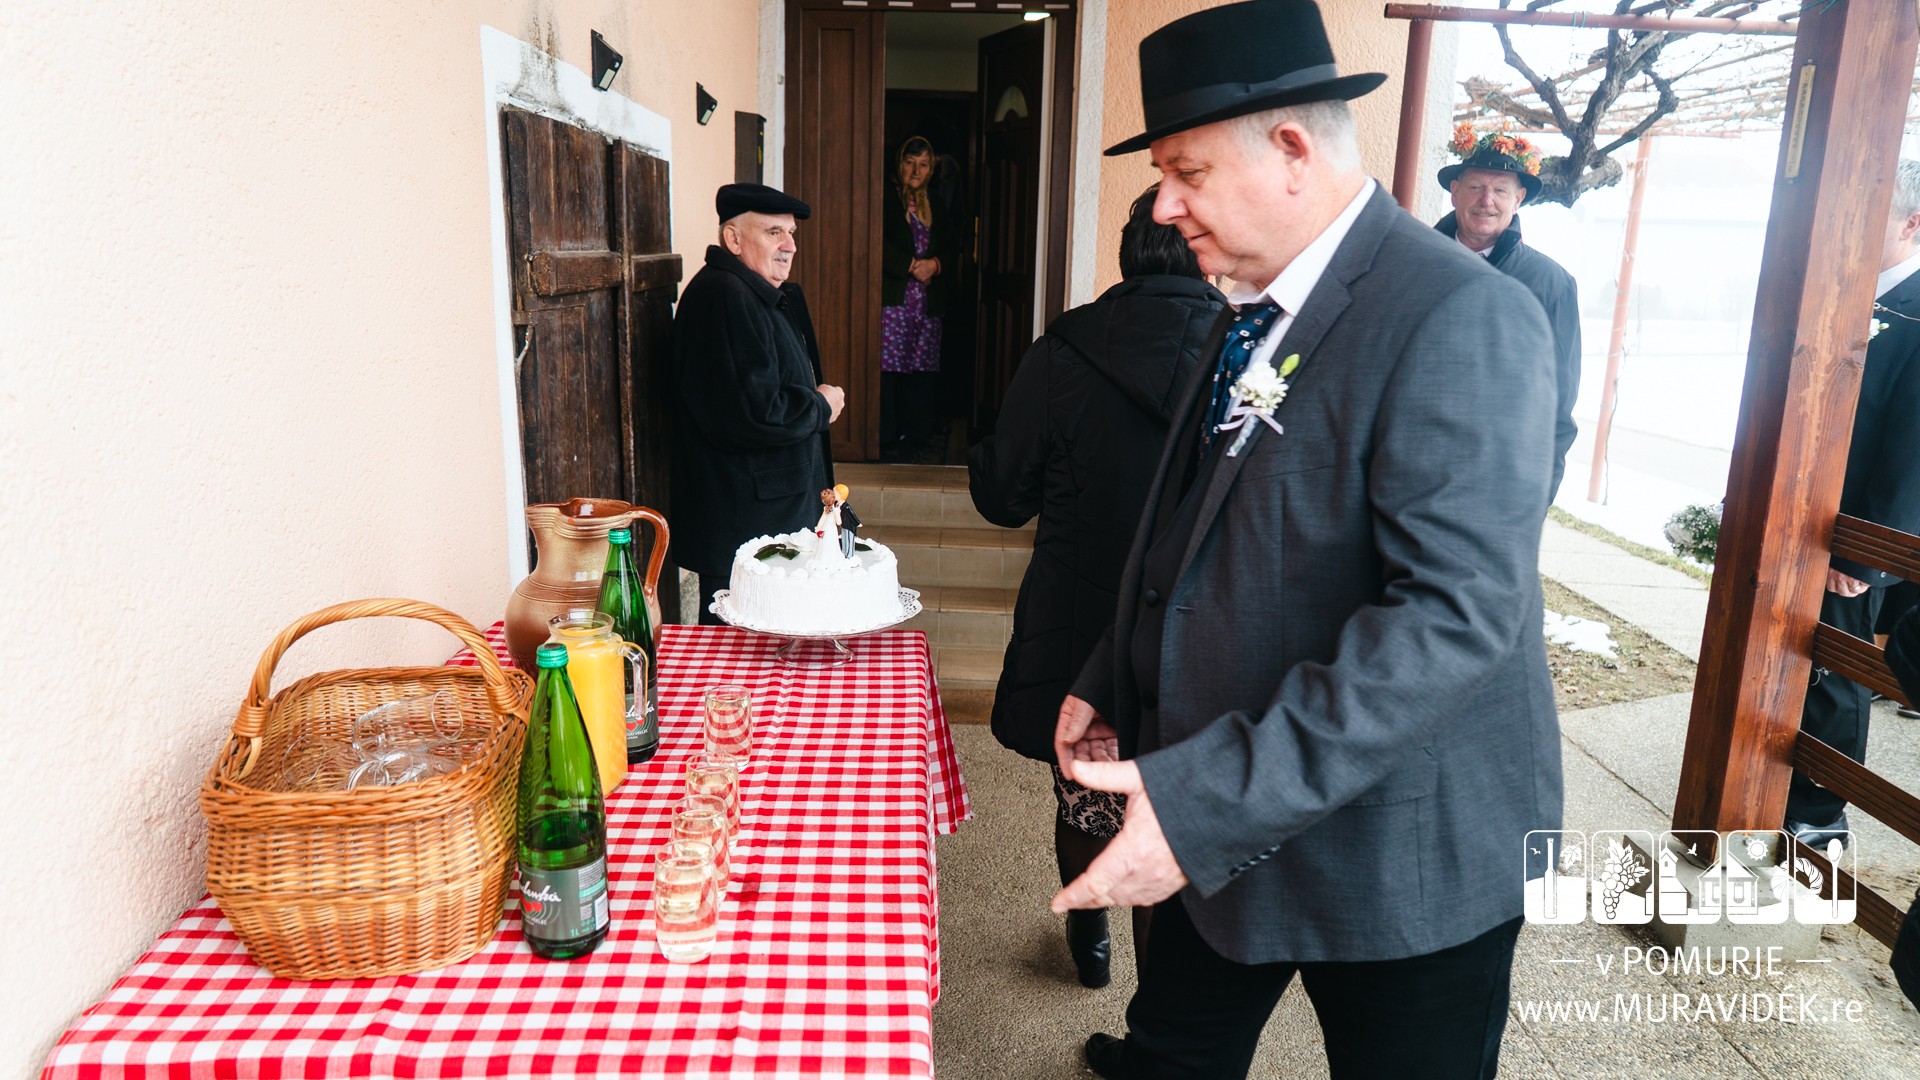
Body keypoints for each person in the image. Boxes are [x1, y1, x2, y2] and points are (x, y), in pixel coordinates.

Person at [1050, 3, 1560, 1077]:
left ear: (1290, 148)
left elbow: (1452, 618)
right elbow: (1198, 524)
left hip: (1400, 851)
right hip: (1226, 803)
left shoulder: (1460, 313)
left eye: (1185, 171)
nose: (1164, 203)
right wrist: (1112, 673)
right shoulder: (1249, 301)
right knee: (1170, 1053)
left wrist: (1203, 804)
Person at [968, 185, 1226, 990]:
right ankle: (1156, 1007)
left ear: (1127, 253)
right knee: (1167, 814)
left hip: (1081, 621)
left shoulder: (1064, 351)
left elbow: (1003, 496)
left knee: (1085, 796)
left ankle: (1090, 937)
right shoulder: (1245, 355)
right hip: (1197, 636)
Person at [1783, 158, 1920, 847]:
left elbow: (1912, 446)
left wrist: (1868, 555)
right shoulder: (1845, 292)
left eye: (1874, 213)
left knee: (1837, 670)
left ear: (1911, 223)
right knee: (1791, 654)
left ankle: (1819, 814)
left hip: (1858, 533)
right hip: (1802, 516)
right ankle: (1779, 786)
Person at [670, 183, 846, 624]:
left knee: (772, 645)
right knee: (741, 650)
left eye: (791, 233)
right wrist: (820, 406)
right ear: (733, 239)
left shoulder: (748, 291)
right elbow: (754, 414)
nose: (790, 245)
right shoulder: (725, 297)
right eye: (773, 232)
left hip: (767, 520)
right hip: (746, 530)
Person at [1436, 127, 1582, 499]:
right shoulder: (1412, 263)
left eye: (1500, 190)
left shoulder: (1551, 283)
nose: (1486, 200)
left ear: (1518, 200)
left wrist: (1537, 498)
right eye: (1475, 187)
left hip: (1495, 484)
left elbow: (1557, 407)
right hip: (1407, 475)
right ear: (1454, 192)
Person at [880, 136, 957, 447]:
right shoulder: (887, 198)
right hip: (895, 300)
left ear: (931, 169)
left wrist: (934, 265)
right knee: (890, 369)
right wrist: (910, 265)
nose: (916, 171)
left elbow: (952, 247)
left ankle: (916, 435)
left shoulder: (935, 201)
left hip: (926, 302)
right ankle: (886, 436)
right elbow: (876, 241)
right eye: (910, 163)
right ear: (899, 164)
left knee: (921, 368)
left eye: (923, 164)